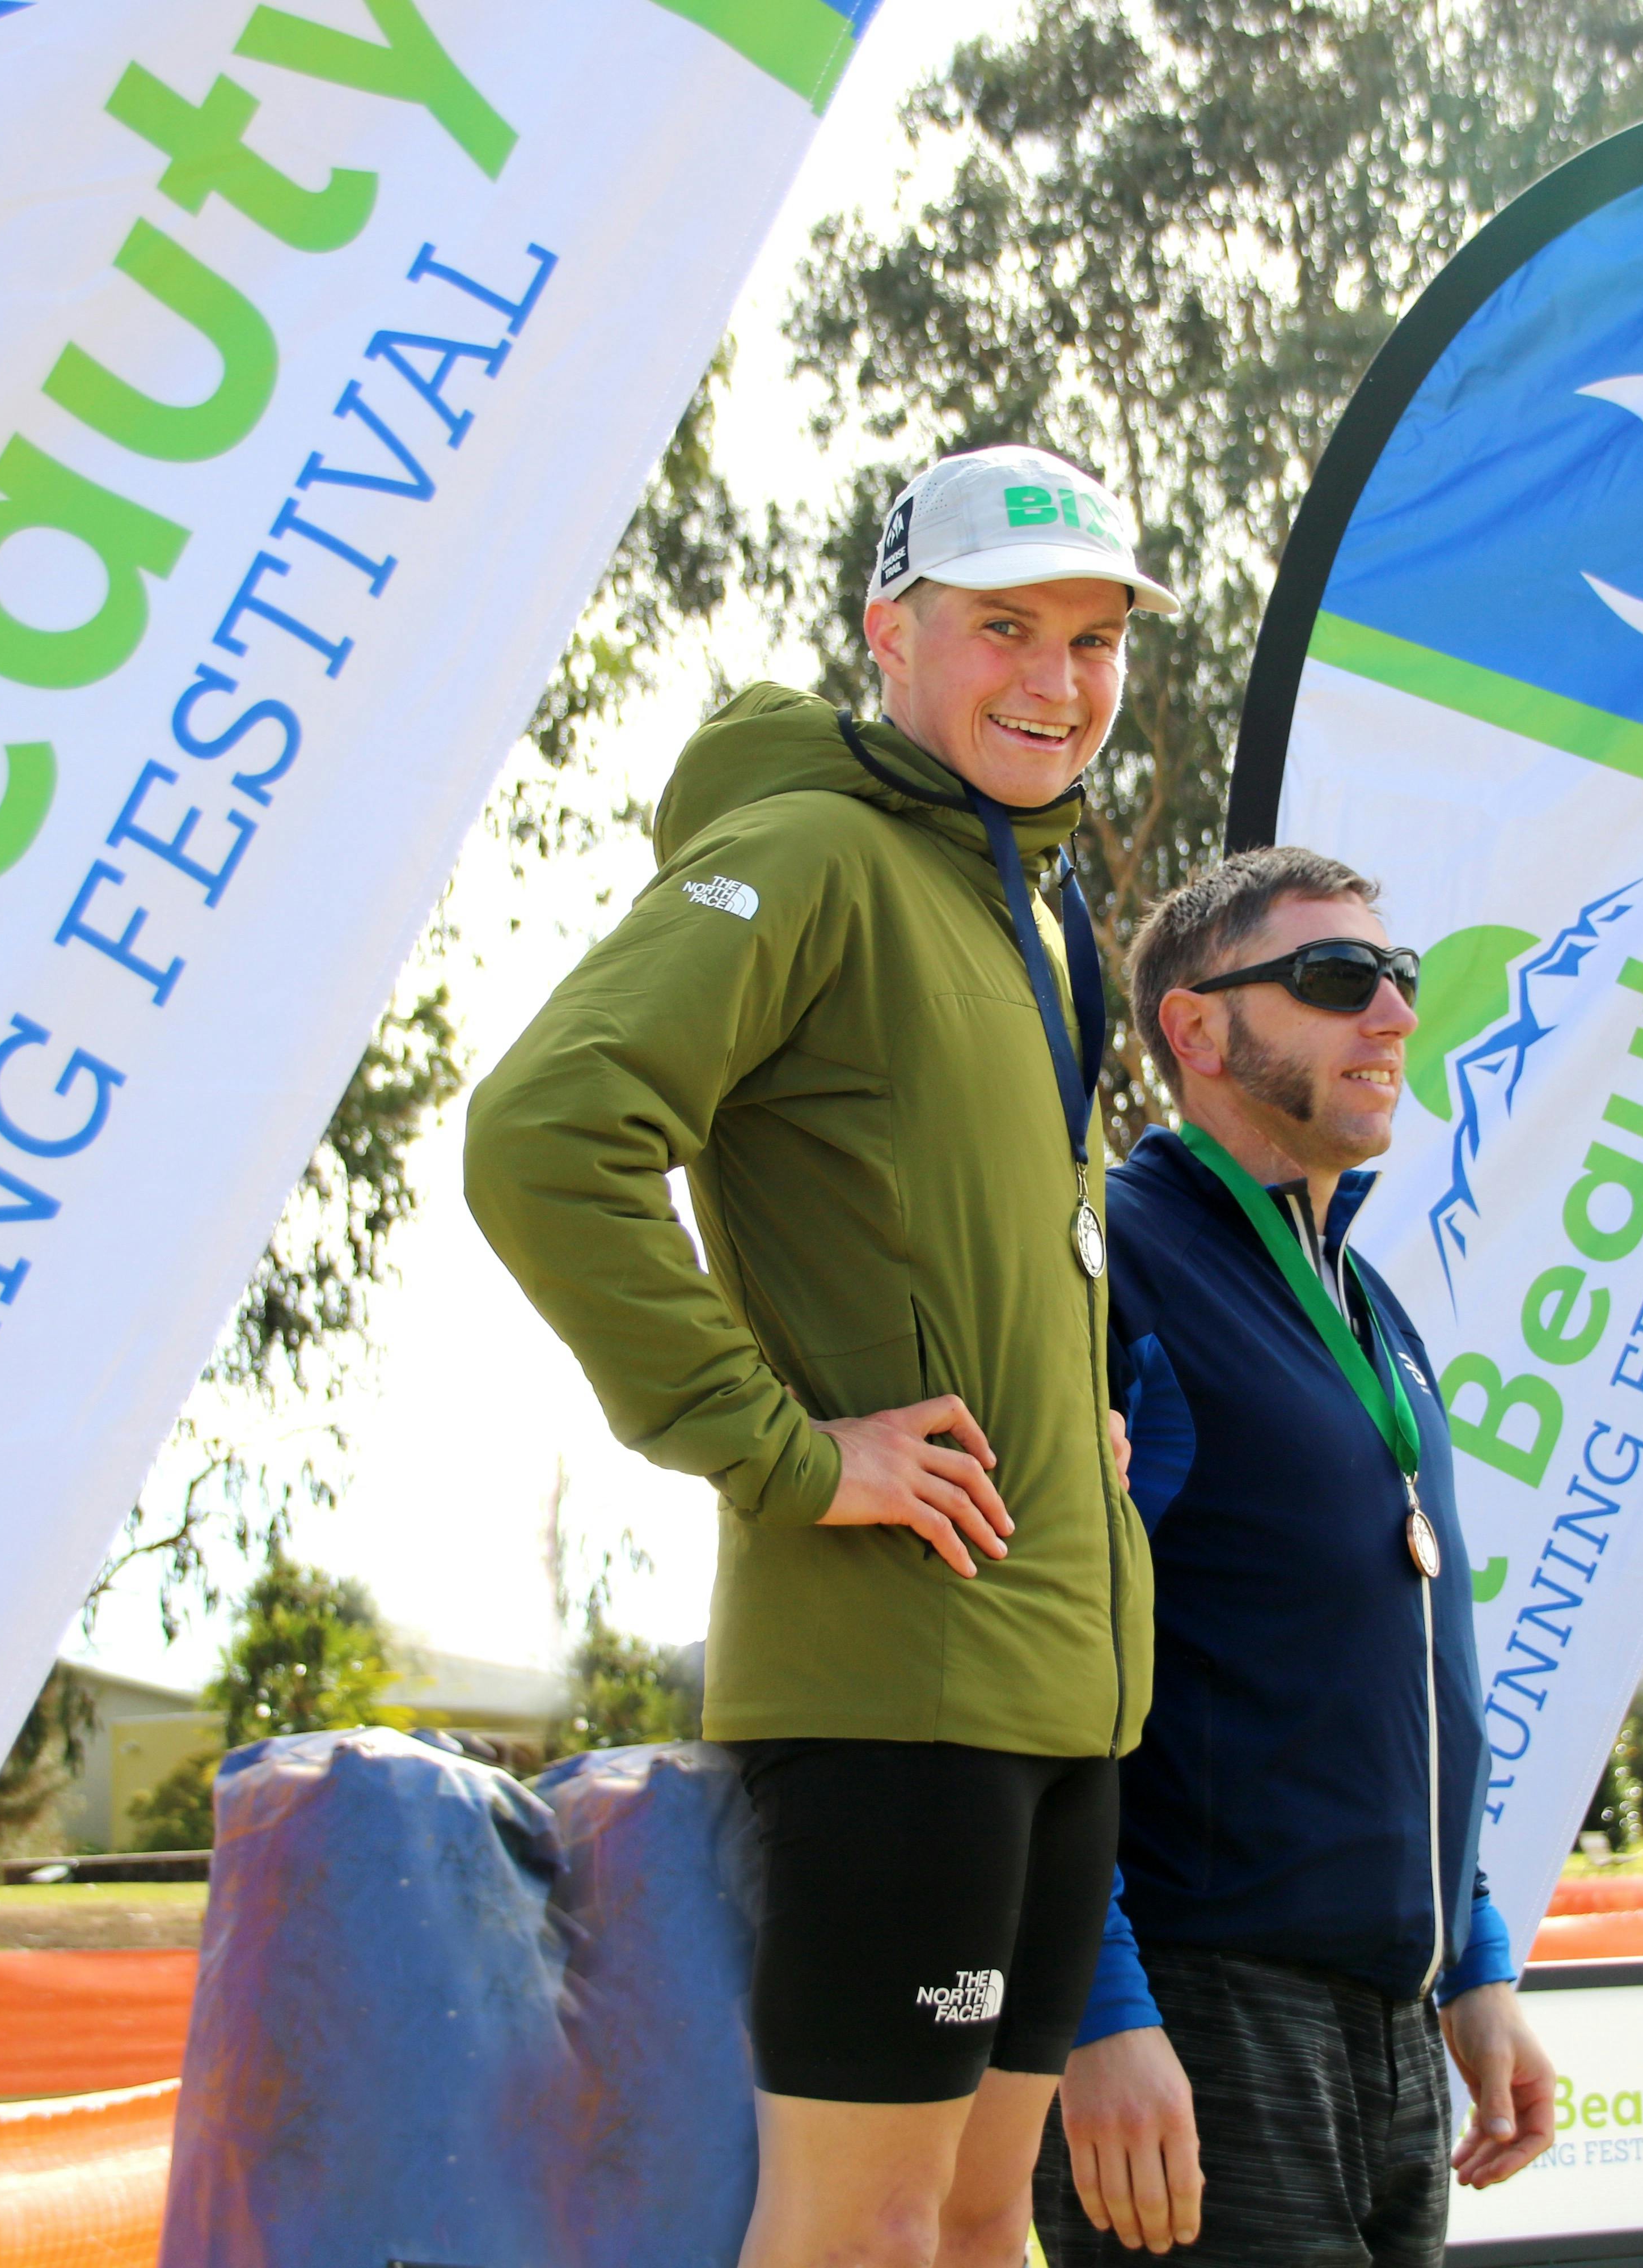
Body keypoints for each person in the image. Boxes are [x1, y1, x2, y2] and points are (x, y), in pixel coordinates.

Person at [464, 445, 1175, 2267]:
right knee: (857, 2237)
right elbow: (547, 1133)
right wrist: (793, 1452)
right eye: (1003, 628)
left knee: (968, 2225)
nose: (1054, 679)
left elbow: (974, 1241)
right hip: (892, 1692)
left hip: (1056, 1694)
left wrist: (1071, 1412)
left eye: (1094, 639)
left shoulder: (1033, 904)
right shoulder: (807, 852)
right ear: (891, 633)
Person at [1030, 848, 1557, 2266]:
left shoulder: (1370, 1304)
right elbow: (1027, 1669)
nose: (1391, 1014)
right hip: (1200, 2016)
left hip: (1391, 2026)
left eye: (1400, 979)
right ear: (1195, 1031)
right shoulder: (1109, 1265)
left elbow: (1380, 1667)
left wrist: (1474, 1953)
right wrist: (1095, 2008)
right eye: (1337, 979)